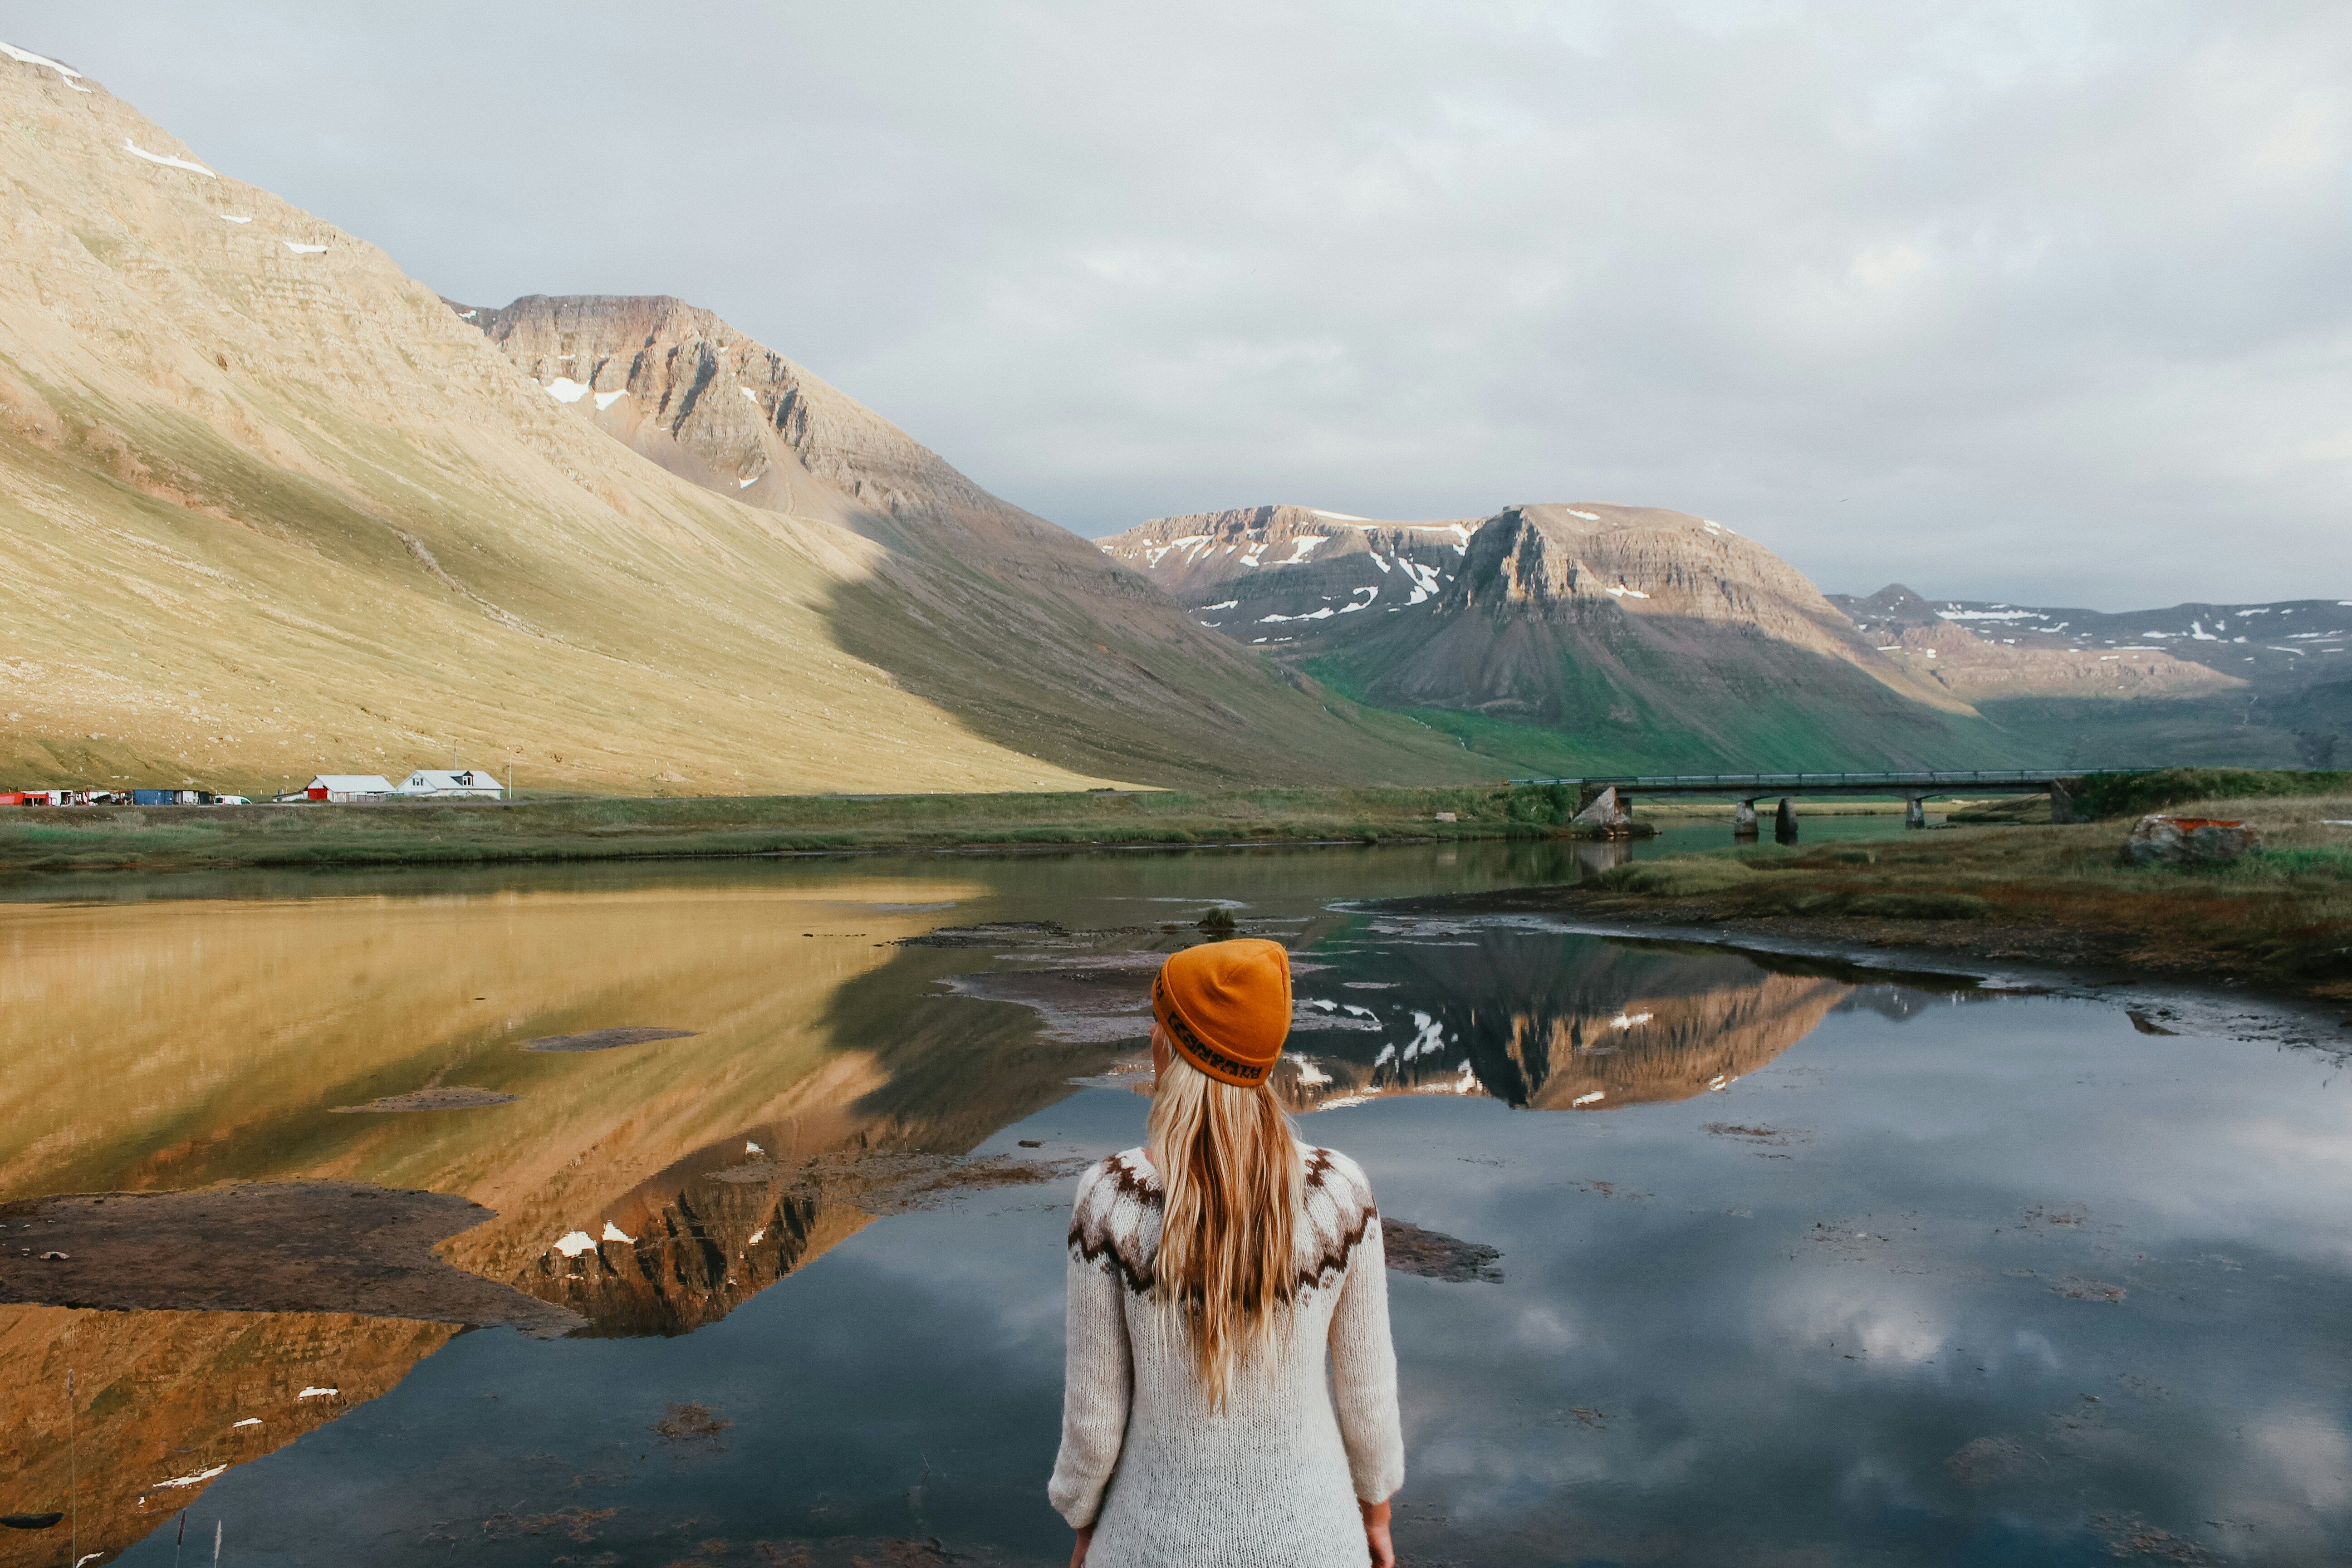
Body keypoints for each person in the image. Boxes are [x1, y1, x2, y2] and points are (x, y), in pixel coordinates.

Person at [1047, 937, 1403, 1568]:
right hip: (1317, 1544)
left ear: (1169, 1048)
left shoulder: (1111, 1201)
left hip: (1149, 1546)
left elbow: (1095, 1425)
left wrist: (1083, 1526)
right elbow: (1367, 1396)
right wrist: (1376, 1515)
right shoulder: (1341, 1195)